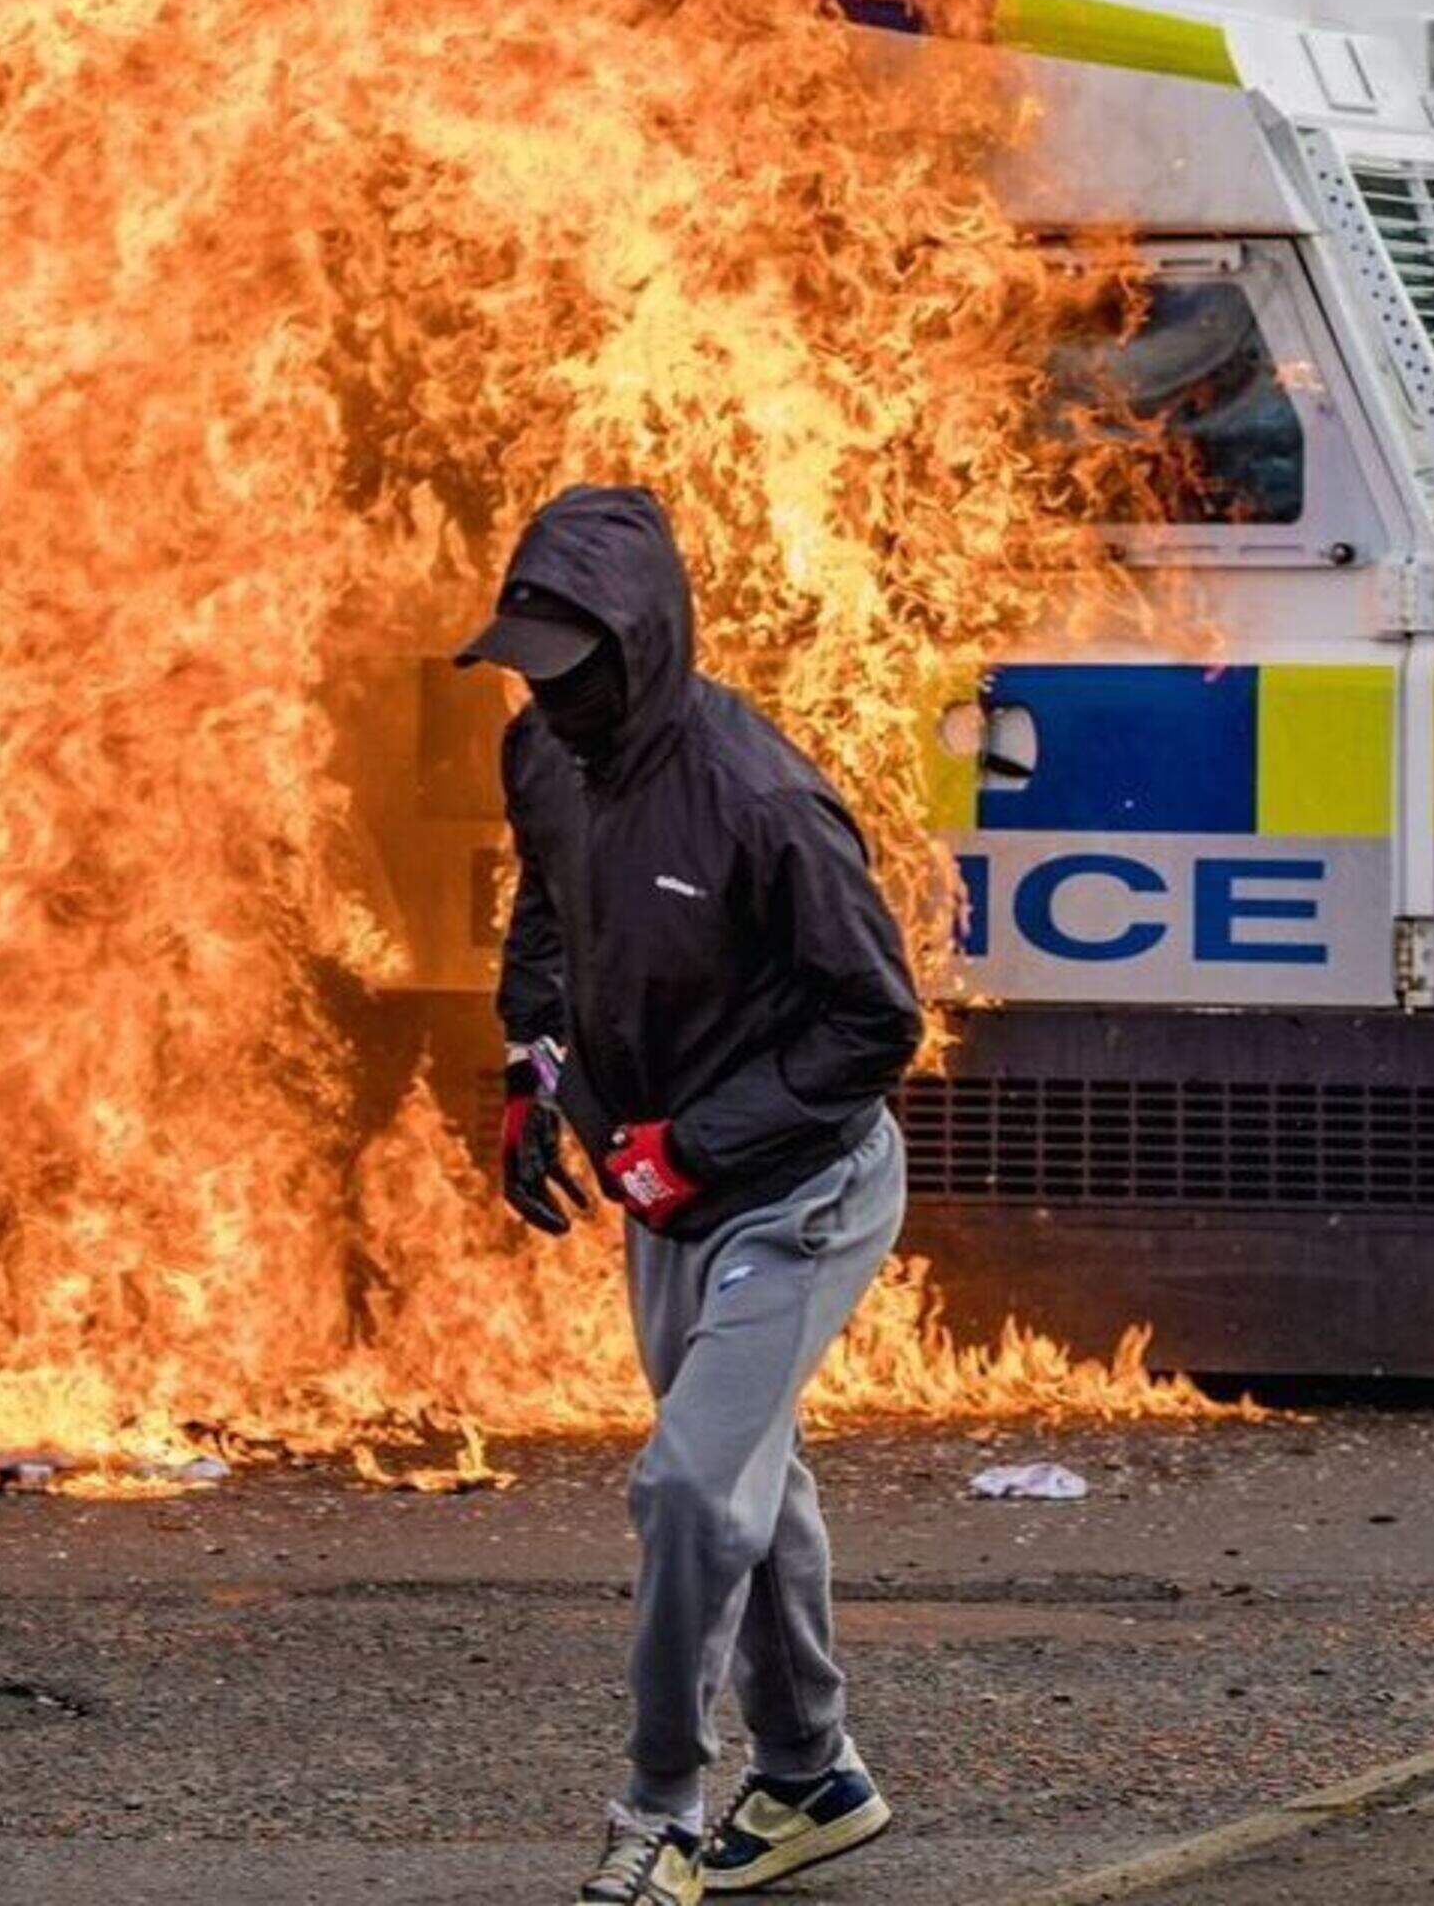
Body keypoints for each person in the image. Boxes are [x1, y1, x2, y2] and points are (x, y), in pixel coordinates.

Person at [461, 486, 924, 1906]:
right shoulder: (541, 752)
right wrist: (532, 1065)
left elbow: (877, 1019)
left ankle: (660, 1806)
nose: (549, 692)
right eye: (529, 661)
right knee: (742, 1483)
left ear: (642, 646)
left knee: (681, 1486)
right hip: (664, 1188)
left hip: (800, 1189)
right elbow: (545, 908)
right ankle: (813, 1775)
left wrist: (702, 1144)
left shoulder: (759, 797)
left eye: (572, 662)